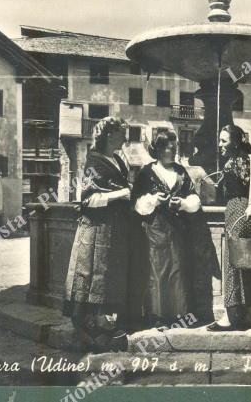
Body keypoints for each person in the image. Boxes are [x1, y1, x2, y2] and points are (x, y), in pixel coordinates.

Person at [62, 116, 141, 350]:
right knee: (93, 274)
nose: (125, 138)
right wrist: (122, 194)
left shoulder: (118, 159)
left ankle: (104, 323)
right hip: (96, 228)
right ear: (109, 135)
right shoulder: (94, 162)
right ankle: (93, 326)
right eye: (121, 133)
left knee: (107, 275)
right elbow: (89, 199)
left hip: (114, 228)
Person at [132, 130, 202, 329]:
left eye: (175, 147)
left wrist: (183, 203)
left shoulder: (181, 171)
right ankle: (157, 317)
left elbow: (194, 197)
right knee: (157, 272)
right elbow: (136, 203)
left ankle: (180, 316)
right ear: (159, 149)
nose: (174, 151)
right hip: (155, 229)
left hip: (178, 230)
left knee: (178, 271)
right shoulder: (146, 173)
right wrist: (154, 200)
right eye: (170, 148)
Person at [207, 124, 251, 332]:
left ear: (235, 142)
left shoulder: (241, 161)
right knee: (247, 263)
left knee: (233, 263)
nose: (220, 145)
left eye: (224, 141)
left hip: (239, 212)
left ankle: (230, 316)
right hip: (243, 212)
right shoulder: (241, 160)